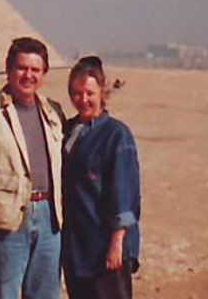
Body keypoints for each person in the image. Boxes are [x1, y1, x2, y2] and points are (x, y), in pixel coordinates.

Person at [0, 37, 64, 299]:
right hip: (6, 223)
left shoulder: (53, 112)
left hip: (50, 220)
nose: (28, 75)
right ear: (8, 70)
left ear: (44, 74)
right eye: (22, 68)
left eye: (35, 69)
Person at [62, 56, 141, 299]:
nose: (82, 100)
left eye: (89, 93)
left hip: (106, 247)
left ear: (101, 91)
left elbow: (124, 194)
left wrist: (117, 243)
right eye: (76, 93)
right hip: (77, 247)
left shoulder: (116, 135)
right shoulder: (67, 131)